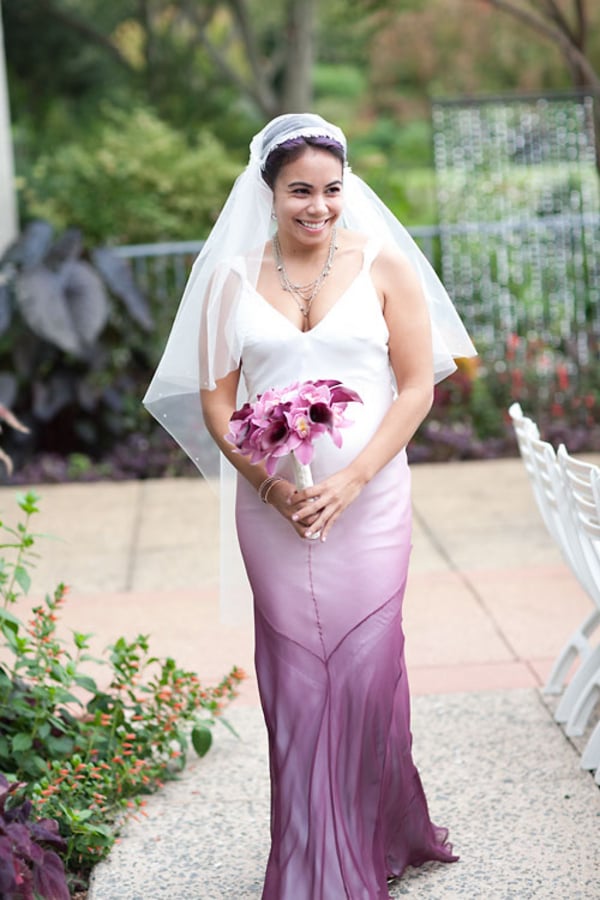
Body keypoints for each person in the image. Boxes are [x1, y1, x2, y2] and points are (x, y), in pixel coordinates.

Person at [144, 113, 476, 899]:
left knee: (365, 671)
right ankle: (308, 861)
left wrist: (352, 480)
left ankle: (372, 831)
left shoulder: (385, 265)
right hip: (273, 512)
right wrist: (272, 484)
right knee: (295, 682)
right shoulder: (230, 280)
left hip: (371, 498)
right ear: (269, 192)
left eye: (331, 189)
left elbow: (419, 385)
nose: (318, 205)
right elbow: (219, 405)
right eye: (300, 190)